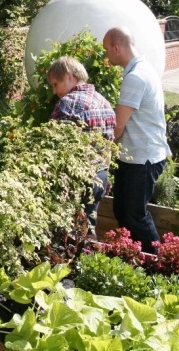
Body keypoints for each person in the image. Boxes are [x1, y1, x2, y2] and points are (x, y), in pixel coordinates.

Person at [102, 26, 171, 254]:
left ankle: (157, 262)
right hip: (135, 156)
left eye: (106, 50)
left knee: (134, 215)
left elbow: (118, 125)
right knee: (122, 211)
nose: (106, 56)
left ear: (116, 47)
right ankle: (133, 258)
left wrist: (103, 155)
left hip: (143, 158)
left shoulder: (136, 77)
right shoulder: (144, 69)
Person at [47, 56, 116, 238]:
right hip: (100, 176)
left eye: (55, 84)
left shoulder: (67, 104)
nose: (55, 91)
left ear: (69, 77)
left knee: (66, 233)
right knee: (88, 226)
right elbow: (110, 145)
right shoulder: (104, 102)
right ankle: (86, 261)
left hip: (75, 179)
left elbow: (52, 147)